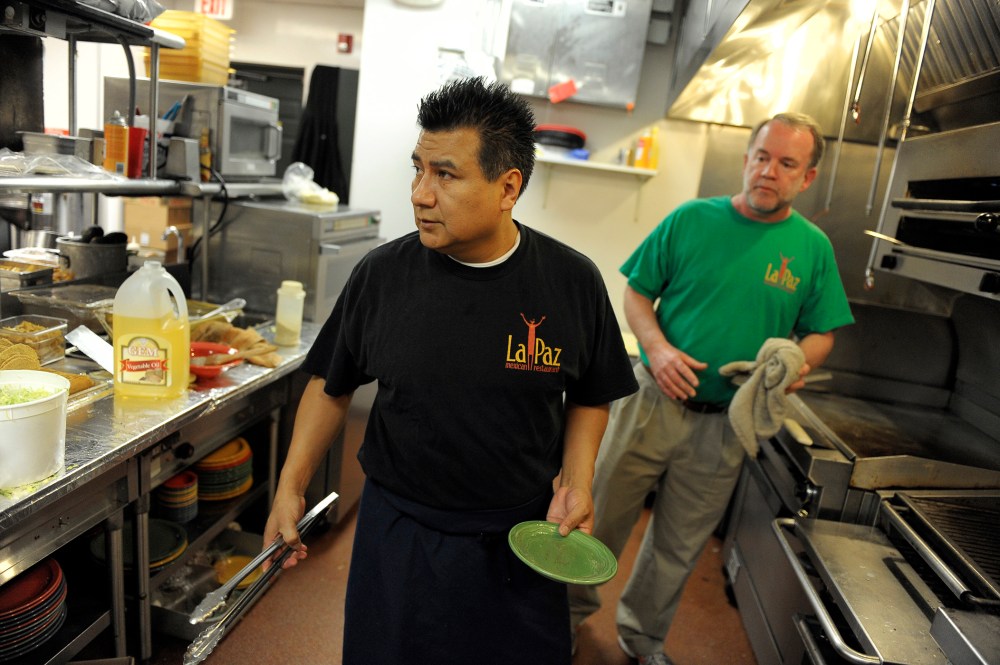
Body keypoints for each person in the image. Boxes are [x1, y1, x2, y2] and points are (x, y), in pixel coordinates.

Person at [263, 76, 638, 665]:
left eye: (446, 174)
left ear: (507, 187)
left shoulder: (571, 282)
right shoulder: (382, 276)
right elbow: (331, 387)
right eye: (418, 170)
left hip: (518, 539)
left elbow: (592, 394)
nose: (419, 193)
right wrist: (289, 487)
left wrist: (578, 480)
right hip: (399, 535)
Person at [568, 112, 855, 664]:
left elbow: (823, 333)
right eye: (762, 156)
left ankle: (642, 638)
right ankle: (564, 621)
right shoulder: (691, 220)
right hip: (650, 402)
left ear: (807, 178)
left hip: (725, 424)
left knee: (678, 547)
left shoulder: (812, 248)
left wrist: (798, 359)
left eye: (787, 164)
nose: (769, 171)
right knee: (595, 522)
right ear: (748, 158)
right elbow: (637, 294)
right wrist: (657, 347)